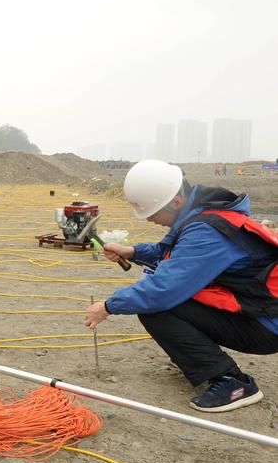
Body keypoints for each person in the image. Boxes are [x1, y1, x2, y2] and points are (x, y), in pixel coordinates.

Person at [84, 159, 278, 413]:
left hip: (267, 324)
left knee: (157, 307)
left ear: (176, 200)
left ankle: (233, 383)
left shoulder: (207, 230)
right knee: (168, 298)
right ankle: (199, 359)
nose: (151, 220)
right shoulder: (201, 214)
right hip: (260, 310)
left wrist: (108, 306)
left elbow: (163, 290)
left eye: (153, 213)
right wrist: (130, 252)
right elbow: (169, 252)